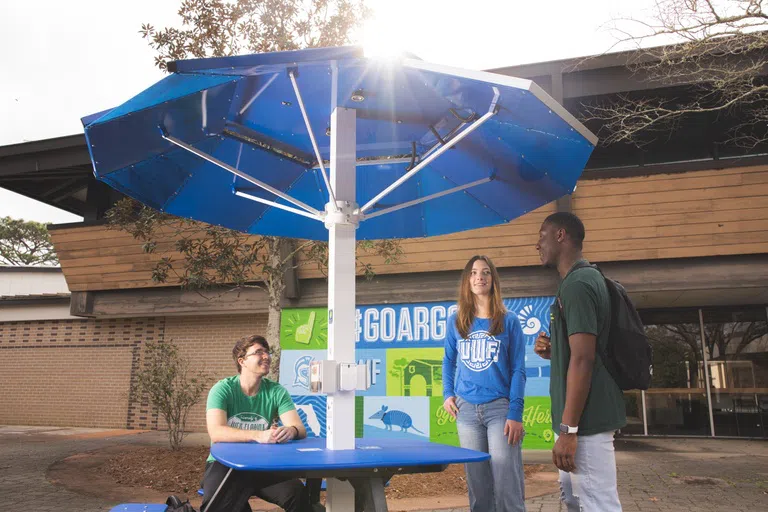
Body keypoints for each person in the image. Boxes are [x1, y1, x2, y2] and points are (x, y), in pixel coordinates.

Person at [534, 212, 625, 511]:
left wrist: (568, 431)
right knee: (576, 502)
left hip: (586, 424)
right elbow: (581, 352)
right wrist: (554, 351)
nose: (537, 245)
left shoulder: (578, 284)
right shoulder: (580, 280)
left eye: (541, 236)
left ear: (560, 235)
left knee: (598, 505)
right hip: (579, 424)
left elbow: (584, 359)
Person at [442, 255, 527, 512]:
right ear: (468, 280)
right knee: (477, 486)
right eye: (474, 272)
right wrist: (448, 393)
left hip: (500, 410)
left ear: (493, 280)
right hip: (466, 411)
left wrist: (515, 412)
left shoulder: (509, 320)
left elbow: (519, 370)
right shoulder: (456, 320)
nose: (480, 277)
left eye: (486, 272)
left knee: (506, 482)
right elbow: (448, 361)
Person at [202, 334, 312, 512]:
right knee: (219, 507)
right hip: (225, 463)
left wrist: (290, 431)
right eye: (258, 352)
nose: (266, 356)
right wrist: (259, 435)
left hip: (263, 463)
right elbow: (216, 432)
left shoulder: (276, 391)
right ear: (242, 361)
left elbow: (300, 429)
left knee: (297, 494)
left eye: (267, 352)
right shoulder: (222, 389)